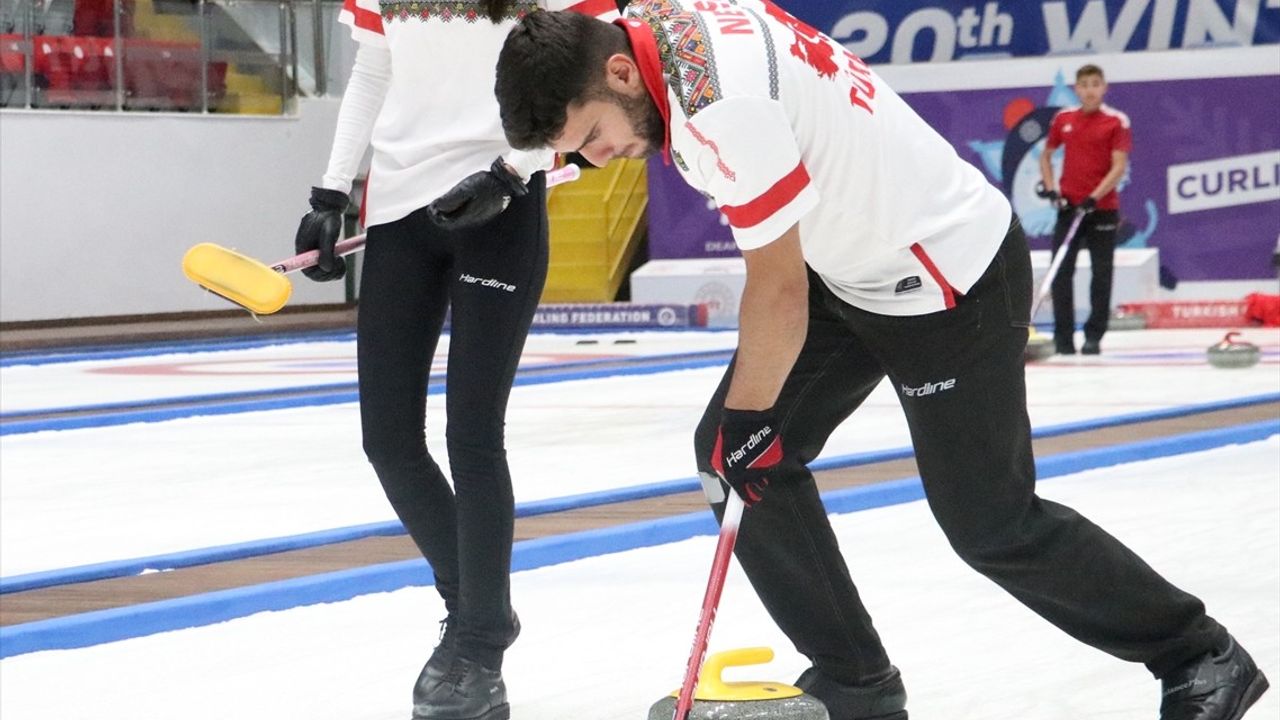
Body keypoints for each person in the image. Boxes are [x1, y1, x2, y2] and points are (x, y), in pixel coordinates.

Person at [492, 3, 1270, 719]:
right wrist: (509, 175)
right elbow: (565, 33)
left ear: (622, 73)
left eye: (592, 138)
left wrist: (754, 417)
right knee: (731, 460)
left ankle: (1199, 655)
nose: (604, 159)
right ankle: (855, 684)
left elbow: (778, 288)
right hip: (854, 270)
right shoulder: (643, 29)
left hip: (945, 279)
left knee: (991, 524)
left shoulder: (721, 109)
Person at [292, 0, 618, 718]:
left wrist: (510, 172)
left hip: (500, 201)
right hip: (400, 207)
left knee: (471, 435)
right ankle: (480, 608)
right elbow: (374, 70)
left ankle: (475, 646)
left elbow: (585, 77)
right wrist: (331, 188)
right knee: (388, 440)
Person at [1037, 64, 1131, 355]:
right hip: (1069, 209)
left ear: (1104, 87)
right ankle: (1063, 338)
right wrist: (1053, 189)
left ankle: (1094, 336)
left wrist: (1094, 196)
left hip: (1101, 210)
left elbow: (1118, 167)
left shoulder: (1116, 121)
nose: (1090, 90)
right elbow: (1047, 155)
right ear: (1076, 89)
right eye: (1084, 85)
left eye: (1095, 84)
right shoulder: (1063, 119)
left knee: (1101, 275)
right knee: (1061, 273)